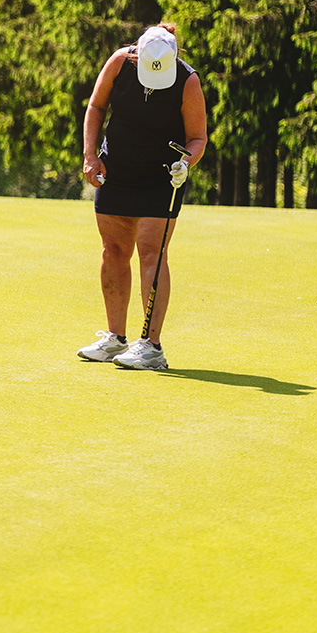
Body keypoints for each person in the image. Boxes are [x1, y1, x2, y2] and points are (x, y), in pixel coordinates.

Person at [78, 22, 208, 371]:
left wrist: (186, 162)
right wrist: (91, 156)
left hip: (162, 178)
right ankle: (114, 338)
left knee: (151, 253)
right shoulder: (120, 63)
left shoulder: (187, 80)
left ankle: (151, 347)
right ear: (137, 55)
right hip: (116, 169)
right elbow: (95, 107)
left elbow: (197, 137)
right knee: (114, 250)